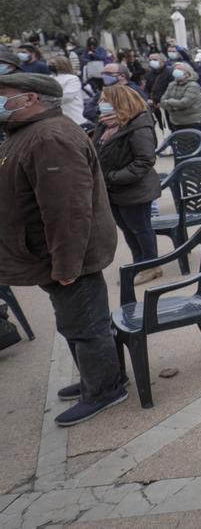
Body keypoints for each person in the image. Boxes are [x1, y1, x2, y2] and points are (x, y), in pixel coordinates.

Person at [0, 73, 126, 425]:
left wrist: (67, 264)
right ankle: (94, 378)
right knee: (74, 322)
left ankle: (105, 388)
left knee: (87, 324)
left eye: (4, 94)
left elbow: (68, 210)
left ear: (29, 99)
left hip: (70, 256)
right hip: (49, 253)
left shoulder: (50, 137)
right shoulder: (31, 133)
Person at [94, 85, 162, 282]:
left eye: (104, 100)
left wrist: (114, 177)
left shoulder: (139, 125)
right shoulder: (106, 124)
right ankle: (139, 263)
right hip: (112, 189)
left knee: (140, 228)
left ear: (118, 102)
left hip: (133, 189)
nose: (100, 104)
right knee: (127, 228)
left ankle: (150, 266)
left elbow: (145, 160)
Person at [159, 62, 201, 132]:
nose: (176, 71)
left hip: (191, 122)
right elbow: (162, 101)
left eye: (179, 69)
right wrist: (175, 107)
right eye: (175, 69)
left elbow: (184, 103)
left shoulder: (193, 85)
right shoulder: (172, 85)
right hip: (175, 122)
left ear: (187, 72)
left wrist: (170, 102)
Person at [48, 55, 86, 125]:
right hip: (55, 115)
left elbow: (67, 97)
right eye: (49, 64)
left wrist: (48, 100)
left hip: (72, 114)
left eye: (53, 64)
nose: (50, 66)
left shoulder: (72, 78)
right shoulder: (49, 78)